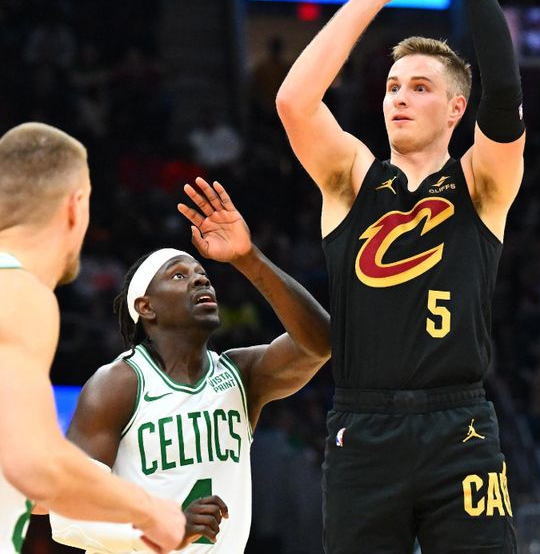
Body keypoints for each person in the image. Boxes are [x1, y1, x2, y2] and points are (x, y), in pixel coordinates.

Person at [276, 0, 526, 550]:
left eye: (420, 88)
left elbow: (507, 94)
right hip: (363, 427)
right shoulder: (352, 179)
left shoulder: (480, 186)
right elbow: (294, 103)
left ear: (456, 109)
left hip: (459, 427)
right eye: (392, 87)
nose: (400, 99)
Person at [49, 178, 331, 553]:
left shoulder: (240, 375)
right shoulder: (119, 384)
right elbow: (67, 518)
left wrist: (248, 258)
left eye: (203, 274)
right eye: (179, 275)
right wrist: (163, 529)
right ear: (145, 307)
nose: (200, 279)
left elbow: (320, 343)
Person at [0, 122, 184, 554]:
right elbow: (36, 466)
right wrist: (150, 510)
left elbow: (28, 480)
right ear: (75, 206)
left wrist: (121, 518)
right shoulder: (19, 291)